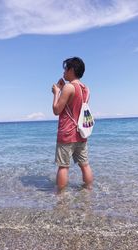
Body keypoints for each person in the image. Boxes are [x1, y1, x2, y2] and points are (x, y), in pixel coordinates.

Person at [52, 57, 93, 192]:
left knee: (63, 166)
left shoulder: (69, 87)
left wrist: (57, 92)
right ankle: (88, 191)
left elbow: (57, 110)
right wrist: (64, 90)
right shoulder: (86, 89)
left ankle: (61, 197)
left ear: (71, 70)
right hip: (81, 133)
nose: (64, 72)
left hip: (67, 133)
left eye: (65, 68)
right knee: (85, 165)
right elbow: (75, 105)